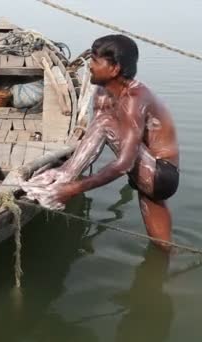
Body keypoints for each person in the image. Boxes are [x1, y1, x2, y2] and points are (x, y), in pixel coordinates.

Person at [22, 34, 179, 248]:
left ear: (114, 68)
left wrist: (73, 189)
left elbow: (124, 163)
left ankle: (64, 177)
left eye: (95, 61)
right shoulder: (102, 92)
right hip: (143, 171)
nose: (90, 67)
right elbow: (93, 139)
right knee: (161, 246)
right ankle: (166, 259)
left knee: (105, 121)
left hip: (161, 174)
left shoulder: (134, 98)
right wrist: (66, 169)